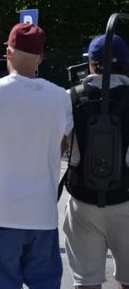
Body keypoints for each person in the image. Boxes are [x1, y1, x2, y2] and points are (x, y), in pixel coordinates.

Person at [0, 23, 73, 289]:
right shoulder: (60, 97)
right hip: (41, 212)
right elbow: (62, 146)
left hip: (0, 209)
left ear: (8, 53)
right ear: (40, 57)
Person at [63, 34, 129, 289]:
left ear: (91, 64)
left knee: (87, 282)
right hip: (126, 198)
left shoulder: (72, 97)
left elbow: (60, 144)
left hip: (83, 201)